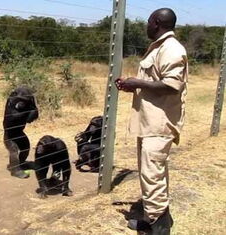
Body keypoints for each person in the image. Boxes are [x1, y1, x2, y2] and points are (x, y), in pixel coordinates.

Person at [116, 8, 188, 235]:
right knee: (151, 174)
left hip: (159, 124)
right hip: (149, 123)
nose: (146, 26)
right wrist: (133, 85)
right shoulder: (160, 47)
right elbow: (153, 83)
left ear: (156, 22)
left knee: (152, 175)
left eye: (148, 21)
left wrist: (137, 82)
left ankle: (160, 229)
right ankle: (152, 218)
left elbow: (171, 85)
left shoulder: (171, 49)